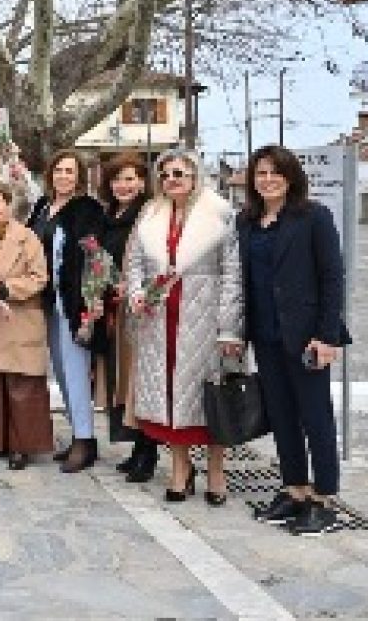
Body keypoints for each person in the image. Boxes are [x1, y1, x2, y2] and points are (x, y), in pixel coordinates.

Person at [239, 145, 349, 536]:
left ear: (290, 177)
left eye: (275, 172)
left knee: (315, 416)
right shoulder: (247, 222)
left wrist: (327, 335)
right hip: (265, 335)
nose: (267, 179)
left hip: (306, 337)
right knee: (282, 416)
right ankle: (294, 490)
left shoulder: (313, 217)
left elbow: (333, 278)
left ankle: (324, 498)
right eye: (261, 173)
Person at [127, 149, 243, 505]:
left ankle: (216, 471)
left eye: (178, 173)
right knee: (170, 399)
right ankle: (180, 469)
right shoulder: (150, 215)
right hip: (159, 321)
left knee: (209, 398)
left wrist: (230, 328)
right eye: (164, 175)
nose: (171, 180)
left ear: (195, 176)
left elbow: (232, 275)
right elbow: (133, 262)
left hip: (204, 319)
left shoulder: (220, 214)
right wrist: (136, 293)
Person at [26, 149, 105, 473]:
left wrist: (90, 301)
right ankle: (77, 434)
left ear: (80, 176)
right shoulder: (42, 207)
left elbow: (94, 257)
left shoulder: (86, 209)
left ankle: (85, 440)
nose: (63, 176)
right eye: (58, 170)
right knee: (59, 370)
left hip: (72, 302)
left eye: (70, 171)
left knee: (75, 371)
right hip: (45, 300)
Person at [0, 184, 53, 470]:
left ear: (8, 205)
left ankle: (21, 447)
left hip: (17, 318)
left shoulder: (26, 237)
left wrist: (4, 289)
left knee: (20, 387)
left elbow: (40, 277)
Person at [96, 153, 155, 483]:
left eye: (130, 179)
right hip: (113, 308)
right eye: (117, 179)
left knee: (138, 380)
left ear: (143, 182)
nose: (123, 185)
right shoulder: (109, 215)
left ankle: (147, 451)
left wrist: (131, 286)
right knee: (122, 381)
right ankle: (136, 448)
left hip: (137, 308)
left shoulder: (147, 216)